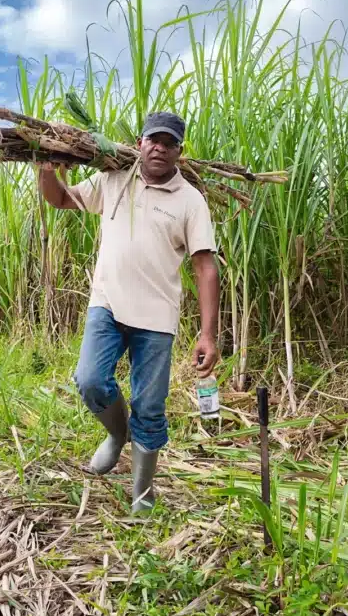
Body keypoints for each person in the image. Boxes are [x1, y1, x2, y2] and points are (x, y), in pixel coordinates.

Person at [37, 111, 220, 514]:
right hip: (107, 303)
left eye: (169, 142)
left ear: (179, 152)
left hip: (156, 319)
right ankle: (116, 436)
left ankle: (141, 491)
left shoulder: (191, 201)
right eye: (153, 139)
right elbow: (62, 199)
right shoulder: (114, 178)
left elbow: (205, 266)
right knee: (90, 380)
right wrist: (46, 168)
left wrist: (208, 334)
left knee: (150, 406)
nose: (160, 147)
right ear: (140, 142)